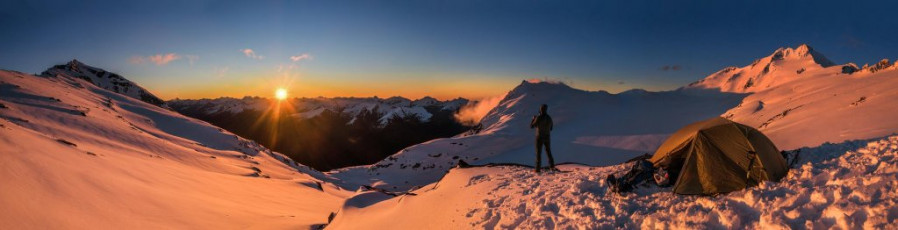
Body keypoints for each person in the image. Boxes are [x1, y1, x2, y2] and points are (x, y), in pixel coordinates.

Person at [530, 104, 556, 173]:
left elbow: (532, 126)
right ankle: (552, 166)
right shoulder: (549, 118)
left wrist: (533, 119)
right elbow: (551, 128)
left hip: (539, 137)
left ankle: (537, 169)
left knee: (538, 153)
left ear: (541, 109)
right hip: (547, 137)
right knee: (548, 151)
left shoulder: (539, 117)